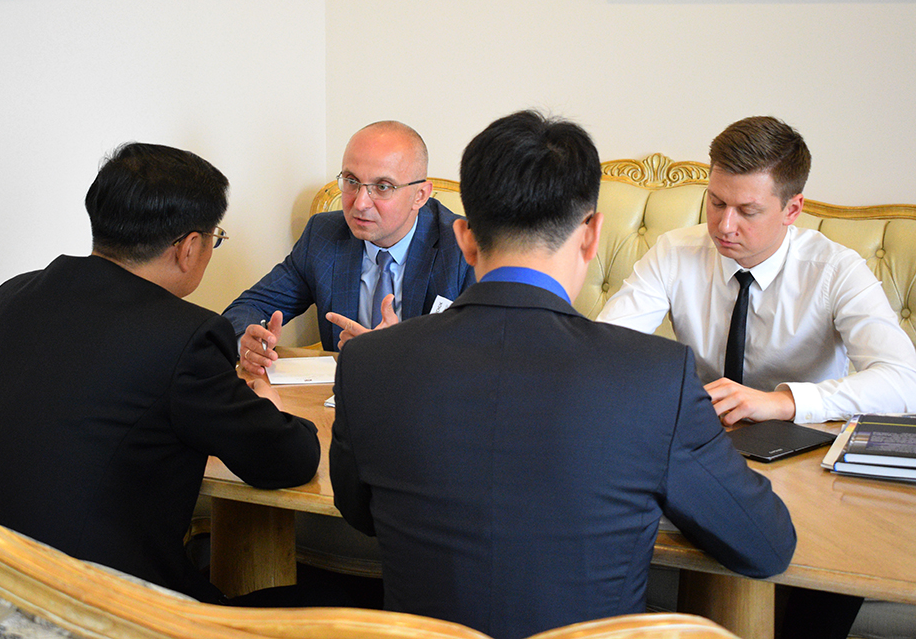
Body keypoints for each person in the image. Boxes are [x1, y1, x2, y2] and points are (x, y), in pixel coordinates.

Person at [329, 110, 797, 639]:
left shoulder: (369, 364)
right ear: (592, 235)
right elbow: (765, 545)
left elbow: (360, 514)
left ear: (465, 238)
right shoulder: (656, 378)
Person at [0, 143, 320, 605]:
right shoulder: (186, 335)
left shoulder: (12, 297)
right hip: (95, 607)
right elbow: (288, 460)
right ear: (189, 247)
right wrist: (268, 406)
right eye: (214, 238)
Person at [598, 116, 916, 427]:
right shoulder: (674, 252)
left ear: (792, 210)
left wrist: (782, 402)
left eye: (748, 211)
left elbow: (905, 381)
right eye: (717, 203)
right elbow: (601, 350)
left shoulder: (836, 270)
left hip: (802, 437)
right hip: (702, 433)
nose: (724, 226)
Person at [223, 120, 475, 373]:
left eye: (382, 187)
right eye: (352, 181)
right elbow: (247, 308)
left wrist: (399, 352)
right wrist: (248, 342)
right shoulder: (324, 235)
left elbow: (483, 354)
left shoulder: (463, 247)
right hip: (340, 393)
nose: (360, 203)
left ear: (420, 195)